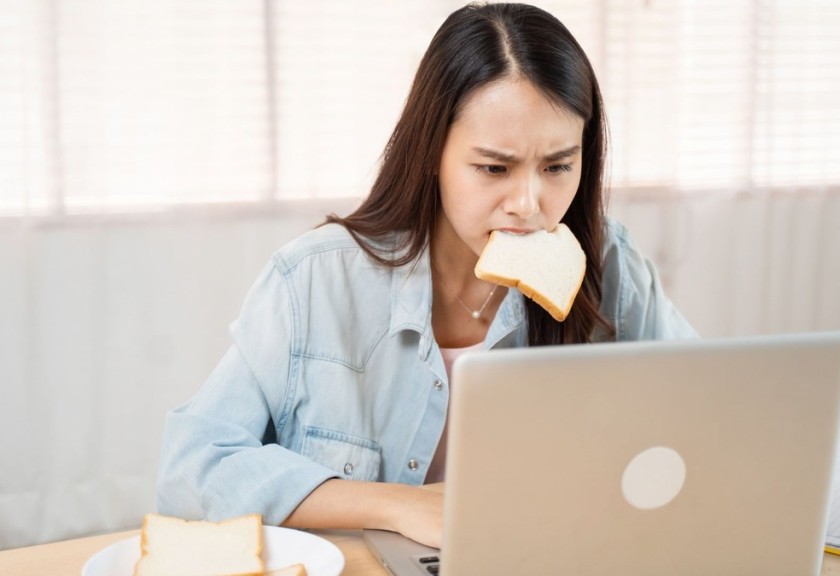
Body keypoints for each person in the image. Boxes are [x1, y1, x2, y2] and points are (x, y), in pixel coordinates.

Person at [156, 2, 696, 549]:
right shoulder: (316, 281)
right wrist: (398, 506)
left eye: (558, 166)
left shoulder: (608, 266)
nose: (529, 205)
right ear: (431, 152)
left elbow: (710, 419)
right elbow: (191, 470)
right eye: (494, 168)